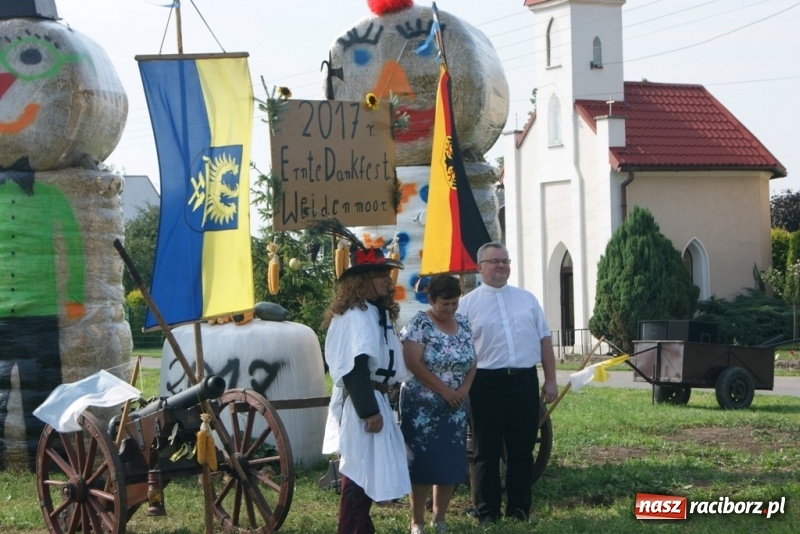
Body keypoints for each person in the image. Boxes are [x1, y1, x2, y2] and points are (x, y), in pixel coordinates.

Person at [457, 241, 558, 524]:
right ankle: (487, 513)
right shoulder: (466, 305)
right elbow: (460, 349)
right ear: (480, 267)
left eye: (505, 260)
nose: (501, 265)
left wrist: (550, 380)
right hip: (485, 384)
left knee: (522, 450)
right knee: (486, 451)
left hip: (525, 381)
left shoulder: (527, 300)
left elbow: (544, 340)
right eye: (494, 261)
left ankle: (519, 511)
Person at [321, 244, 411, 534]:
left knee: (367, 473)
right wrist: (368, 411)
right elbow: (354, 367)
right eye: (381, 275)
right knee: (358, 474)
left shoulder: (374, 312)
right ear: (363, 281)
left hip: (377, 397)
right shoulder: (355, 317)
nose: (388, 280)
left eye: (387, 274)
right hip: (365, 401)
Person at [399, 274, 477, 534]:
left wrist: (463, 391)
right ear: (431, 300)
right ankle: (417, 521)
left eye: (454, 303)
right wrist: (444, 390)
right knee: (422, 464)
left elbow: (472, 360)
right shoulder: (419, 324)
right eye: (445, 304)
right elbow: (412, 363)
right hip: (422, 407)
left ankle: (439, 518)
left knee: (449, 464)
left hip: (455, 405)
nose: (450, 309)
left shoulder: (463, 323)